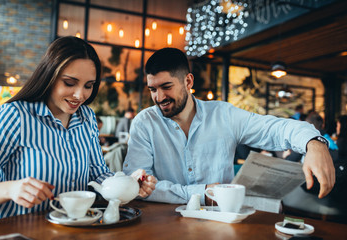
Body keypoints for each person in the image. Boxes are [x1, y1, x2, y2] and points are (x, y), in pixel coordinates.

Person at [123, 47, 335, 206]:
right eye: (152, 89)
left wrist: (314, 142)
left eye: (166, 87)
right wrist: (201, 193)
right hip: (164, 223)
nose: (159, 98)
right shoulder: (144, 123)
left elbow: (274, 128)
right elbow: (137, 186)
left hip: (221, 223)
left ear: (188, 82)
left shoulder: (224, 115)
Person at [0, 36, 156, 220]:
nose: (79, 95)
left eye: (88, 86)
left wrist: (129, 185)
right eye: (69, 83)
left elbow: (98, 174)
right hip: (20, 232)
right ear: (49, 76)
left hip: (75, 231)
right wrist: (10, 189)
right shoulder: (15, 116)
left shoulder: (87, 117)